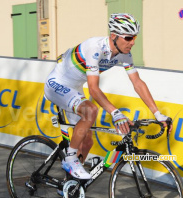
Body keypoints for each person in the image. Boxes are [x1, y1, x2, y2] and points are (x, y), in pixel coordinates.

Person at [44, 13, 172, 180]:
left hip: (74, 88)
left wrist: (157, 113)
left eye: (134, 37)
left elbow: (137, 83)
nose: (132, 42)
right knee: (90, 111)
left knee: (87, 141)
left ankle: (71, 185)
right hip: (58, 83)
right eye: (128, 38)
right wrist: (115, 113)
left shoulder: (124, 53)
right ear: (114, 36)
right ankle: (70, 159)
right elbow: (94, 89)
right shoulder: (94, 48)